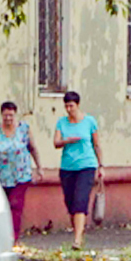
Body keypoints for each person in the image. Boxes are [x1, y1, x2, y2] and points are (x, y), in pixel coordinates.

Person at [0, 101, 43, 243]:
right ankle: (0, 237)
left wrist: (39, 167)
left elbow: (33, 148)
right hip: (1, 177)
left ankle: (13, 238)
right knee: (1, 207)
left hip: (20, 176)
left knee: (15, 206)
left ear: (15, 115)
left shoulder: (24, 129)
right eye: (5, 116)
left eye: (11, 115)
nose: (8, 118)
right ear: (1, 115)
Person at [52, 90, 102, 248]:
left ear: (78, 105)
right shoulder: (62, 123)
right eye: (66, 106)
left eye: (71, 106)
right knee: (71, 203)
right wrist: (67, 141)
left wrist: (101, 165)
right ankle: (78, 232)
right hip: (67, 167)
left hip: (87, 165)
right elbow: (56, 142)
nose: (69, 109)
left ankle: (77, 239)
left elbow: (96, 144)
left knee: (81, 200)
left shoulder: (89, 122)